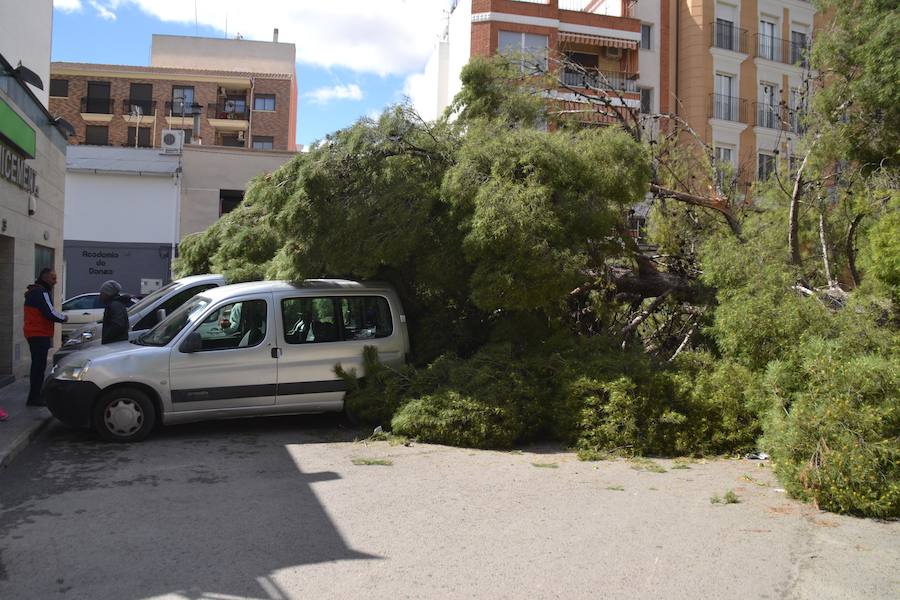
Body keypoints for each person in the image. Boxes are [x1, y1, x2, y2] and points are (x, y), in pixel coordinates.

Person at [24, 268, 68, 406]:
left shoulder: (35, 291)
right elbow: (49, 312)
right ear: (45, 278)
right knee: (38, 367)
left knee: (37, 366)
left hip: (34, 333)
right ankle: (34, 398)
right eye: (53, 278)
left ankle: (34, 396)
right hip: (38, 333)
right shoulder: (41, 292)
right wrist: (64, 318)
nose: (55, 282)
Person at [99, 280, 131, 344]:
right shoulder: (115, 304)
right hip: (116, 342)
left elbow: (118, 325)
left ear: (108, 293)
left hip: (115, 343)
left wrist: (107, 336)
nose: (100, 295)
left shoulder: (114, 305)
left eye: (102, 292)